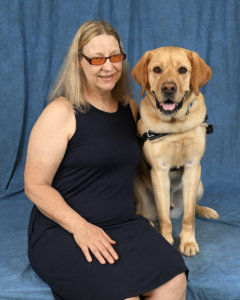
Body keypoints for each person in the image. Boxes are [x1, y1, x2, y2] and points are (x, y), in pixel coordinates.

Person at [24, 20, 188, 300]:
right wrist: (82, 229)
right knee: (125, 297)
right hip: (64, 228)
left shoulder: (129, 107)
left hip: (123, 222)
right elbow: (35, 185)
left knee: (174, 280)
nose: (108, 66)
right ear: (79, 62)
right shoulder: (60, 112)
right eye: (97, 58)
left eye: (115, 56)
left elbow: (154, 149)